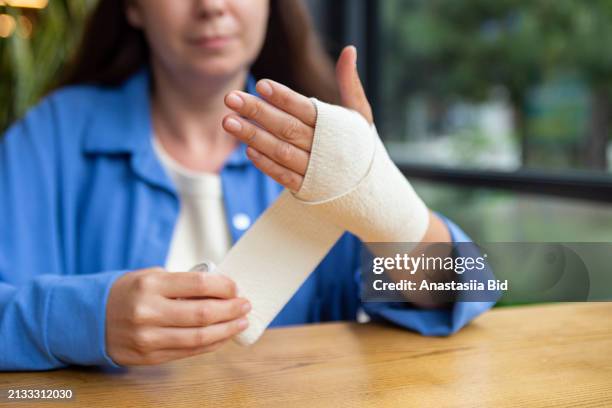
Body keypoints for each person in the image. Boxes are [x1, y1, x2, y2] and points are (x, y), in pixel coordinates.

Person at [0, 0, 493, 371]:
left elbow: (462, 292)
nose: (212, 6)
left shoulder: (329, 148)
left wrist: (389, 209)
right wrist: (85, 320)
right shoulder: (50, 138)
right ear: (132, 7)